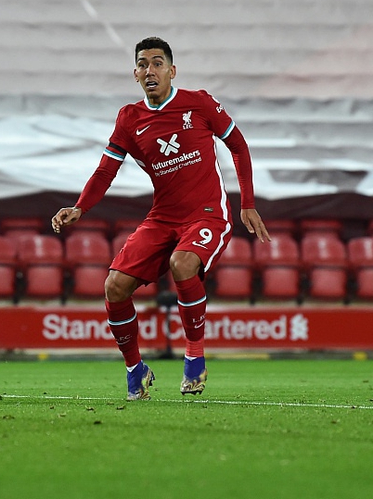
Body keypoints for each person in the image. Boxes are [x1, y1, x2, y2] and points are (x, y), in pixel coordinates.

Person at [51, 37, 271, 401]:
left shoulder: (198, 103)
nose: (149, 70)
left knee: (182, 263)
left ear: (172, 70)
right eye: (142, 64)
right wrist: (79, 207)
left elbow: (238, 145)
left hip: (207, 214)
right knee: (113, 287)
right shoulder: (129, 118)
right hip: (162, 217)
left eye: (157, 63)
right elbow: (106, 170)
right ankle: (135, 370)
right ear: (135, 74)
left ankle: (194, 357)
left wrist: (247, 202)